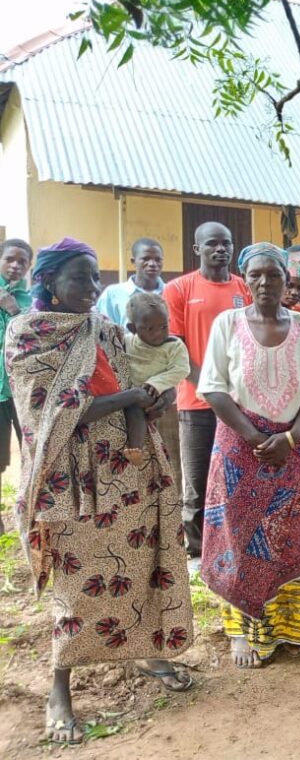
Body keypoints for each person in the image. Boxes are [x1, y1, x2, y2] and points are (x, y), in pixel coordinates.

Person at [9, 238, 193, 744]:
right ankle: (59, 690)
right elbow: (47, 415)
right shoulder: (27, 335)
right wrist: (130, 396)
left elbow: (133, 387)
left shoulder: (106, 329)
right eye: (80, 278)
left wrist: (149, 399)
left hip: (126, 468)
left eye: (95, 278)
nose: (92, 288)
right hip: (69, 480)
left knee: (134, 569)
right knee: (75, 585)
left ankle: (145, 652)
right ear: (48, 282)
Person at [198, 242, 300, 668]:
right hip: (240, 447)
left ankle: (294, 626)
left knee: (294, 530)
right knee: (239, 537)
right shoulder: (228, 323)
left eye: (273, 274)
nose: (265, 282)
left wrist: (289, 438)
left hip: (292, 446)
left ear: (286, 277)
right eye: (255, 275)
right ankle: (243, 632)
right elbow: (214, 387)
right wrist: (256, 437)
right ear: (245, 279)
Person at [164, 221, 251, 566]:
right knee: (198, 480)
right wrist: (211, 386)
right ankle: (197, 551)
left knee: (237, 477)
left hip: (241, 403)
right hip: (197, 402)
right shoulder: (179, 289)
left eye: (226, 243)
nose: (221, 249)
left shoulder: (244, 288)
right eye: (212, 244)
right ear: (197, 249)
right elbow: (176, 347)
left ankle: (235, 543)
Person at [124, 294, 190, 465]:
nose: (158, 333)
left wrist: (158, 383)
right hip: (132, 398)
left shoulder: (173, 345)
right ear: (133, 328)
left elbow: (182, 369)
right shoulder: (126, 342)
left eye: (163, 326)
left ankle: (137, 450)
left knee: (169, 452)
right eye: (149, 329)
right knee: (134, 409)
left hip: (159, 400)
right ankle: (136, 450)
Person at [0, 238, 32, 531]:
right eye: (10, 259)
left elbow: (34, 337)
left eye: (22, 262)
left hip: (24, 391)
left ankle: (30, 510)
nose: (15, 266)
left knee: (30, 451)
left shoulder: (28, 302)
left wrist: (13, 310)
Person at [95, 237, 165, 327]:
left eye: (158, 259)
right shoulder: (113, 294)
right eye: (146, 259)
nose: (152, 264)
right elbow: (102, 331)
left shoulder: (172, 292)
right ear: (133, 262)